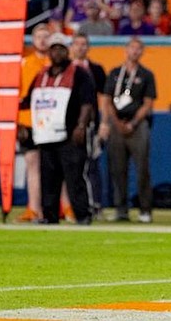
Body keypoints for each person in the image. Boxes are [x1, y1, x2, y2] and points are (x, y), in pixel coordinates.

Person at [22, 33, 94, 225]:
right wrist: (21, 123)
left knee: (74, 178)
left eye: (61, 49)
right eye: (53, 49)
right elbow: (27, 102)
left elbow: (88, 103)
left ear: (67, 51)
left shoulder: (78, 73)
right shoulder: (41, 75)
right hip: (46, 134)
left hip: (70, 134)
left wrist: (81, 126)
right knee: (49, 179)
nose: (57, 53)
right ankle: (50, 215)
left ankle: (82, 214)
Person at [102, 38, 157, 223]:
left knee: (142, 168)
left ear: (142, 52)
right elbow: (107, 100)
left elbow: (148, 103)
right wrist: (113, 123)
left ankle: (145, 209)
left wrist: (133, 123)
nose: (134, 52)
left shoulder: (146, 74)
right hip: (117, 123)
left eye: (138, 48)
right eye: (131, 48)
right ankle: (121, 209)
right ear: (125, 50)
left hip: (137, 125)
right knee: (118, 169)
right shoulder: (115, 73)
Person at [16, 24, 51, 223]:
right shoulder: (25, 63)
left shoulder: (56, 63)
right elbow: (18, 96)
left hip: (50, 122)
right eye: (39, 36)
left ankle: (61, 206)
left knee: (55, 166)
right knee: (32, 164)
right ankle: (34, 208)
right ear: (33, 39)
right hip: (29, 121)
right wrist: (18, 123)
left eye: (46, 36)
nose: (42, 40)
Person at [71, 34, 107, 220]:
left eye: (84, 44)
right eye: (77, 44)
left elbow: (106, 97)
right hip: (68, 123)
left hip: (91, 124)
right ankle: (71, 205)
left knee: (91, 164)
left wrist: (105, 123)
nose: (80, 48)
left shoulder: (96, 70)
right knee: (71, 166)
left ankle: (95, 204)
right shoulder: (66, 70)